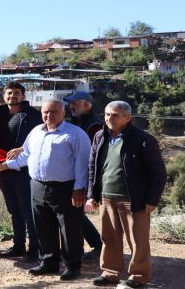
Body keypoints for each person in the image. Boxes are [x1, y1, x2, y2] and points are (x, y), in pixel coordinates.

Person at [0, 99, 91, 281]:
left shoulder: (75, 134)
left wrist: (79, 189)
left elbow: (82, 164)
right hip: (37, 186)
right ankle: (49, 262)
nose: (49, 115)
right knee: (43, 226)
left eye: (53, 112)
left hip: (65, 188)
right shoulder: (36, 131)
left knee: (69, 229)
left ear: (63, 113)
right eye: (45, 112)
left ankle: (72, 266)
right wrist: (5, 165)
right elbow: (26, 156)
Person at [86, 101, 167, 288]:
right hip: (107, 197)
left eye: (115, 115)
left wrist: (152, 199)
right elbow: (92, 167)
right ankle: (110, 273)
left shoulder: (143, 139)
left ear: (128, 117)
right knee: (109, 238)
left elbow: (158, 173)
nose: (109, 119)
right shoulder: (100, 136)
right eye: (106, 114)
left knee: (137, 241)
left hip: (134, 200)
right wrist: (93, 194)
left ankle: (138, 277)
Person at [0, 82, 42, 261]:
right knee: (14, 210)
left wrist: (22, 149)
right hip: (4, 169)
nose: (12, 96)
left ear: (23, 96)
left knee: (28, 210)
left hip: (24, 170)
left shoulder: (33, 116)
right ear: (4, 96)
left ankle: (35, 248)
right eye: (9, 93)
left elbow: (41, 137)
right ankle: (18, 245)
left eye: (16, 93)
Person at [63, 91, 104, 262]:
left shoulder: (94, 125)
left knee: (75, 213)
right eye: (70, 103)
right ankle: (84, 247)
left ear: (87, 104)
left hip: (85, 175)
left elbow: (95, 155)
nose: (72, 106)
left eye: (75, 103)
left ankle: (95, 247)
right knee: (75, 213)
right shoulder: (77, 121)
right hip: (73, 173)